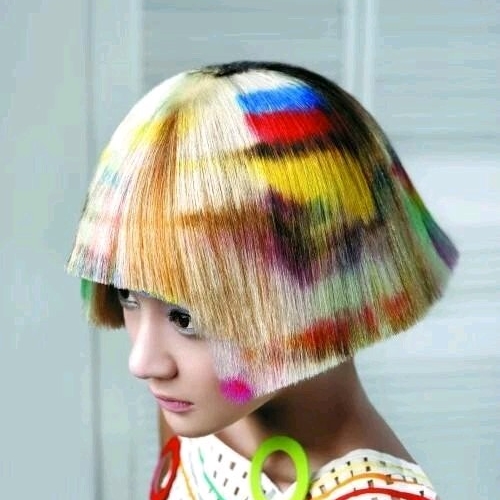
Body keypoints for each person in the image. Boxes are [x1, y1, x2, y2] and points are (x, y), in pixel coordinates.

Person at [67, 61, 458, 499]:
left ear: (315, 295)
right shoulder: (197, 417)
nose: (142, 363)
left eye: (183, 317)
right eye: (127, 294)